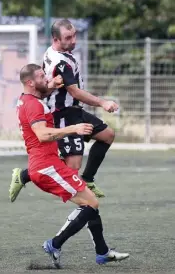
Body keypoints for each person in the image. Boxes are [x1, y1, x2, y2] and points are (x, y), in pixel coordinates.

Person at [15, 63, 129, 268]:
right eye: (42, 77)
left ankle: (102, 252)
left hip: (49, 164)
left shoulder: (28, 99)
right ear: (30, 82)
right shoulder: (33, 104)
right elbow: (42, 134)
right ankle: (55, 244)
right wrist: (73, 129)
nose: (46, 79)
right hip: (46, 167)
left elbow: (44, 92)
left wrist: (54, 84)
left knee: (89, 202)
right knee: (90, 203)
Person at [9, 19, 118, 202]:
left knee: (107, 135)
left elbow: (50, 84)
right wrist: (102, 103)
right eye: (68, 37)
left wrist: (50, 85)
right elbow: (74, 91)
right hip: (63, 114)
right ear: (56, 39)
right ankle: (25, 176)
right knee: (72, 168)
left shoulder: (53, 52)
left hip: (74, 110)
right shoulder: (61, 62)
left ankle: (88, 180)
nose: (73, 40)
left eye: (74, 35)